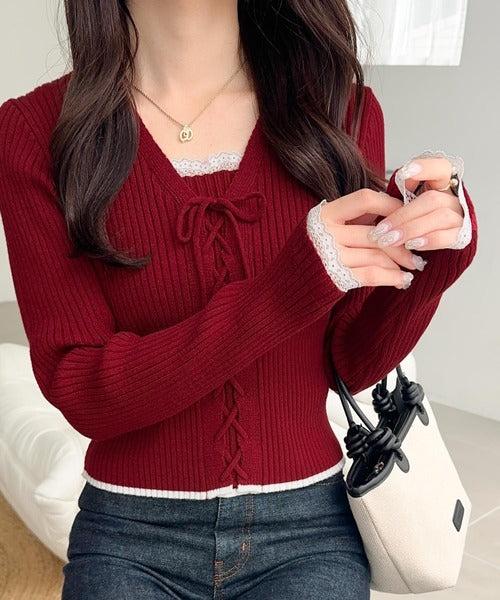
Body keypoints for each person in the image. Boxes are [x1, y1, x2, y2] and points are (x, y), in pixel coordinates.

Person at [0, 1, 477, 599]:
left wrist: (438, 252)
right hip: (129, 535)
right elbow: (83, 388)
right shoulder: (34, 132)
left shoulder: (341, 112)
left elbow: (349, 362)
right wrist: (284, 292)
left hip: (310, 531)